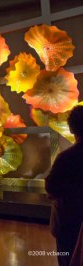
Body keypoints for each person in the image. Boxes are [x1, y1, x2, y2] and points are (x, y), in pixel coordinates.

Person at [45, 105, 83, 266]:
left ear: (72, 128)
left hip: (68, 221)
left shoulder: (66, 158)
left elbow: (51, 186)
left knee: (67, 258)